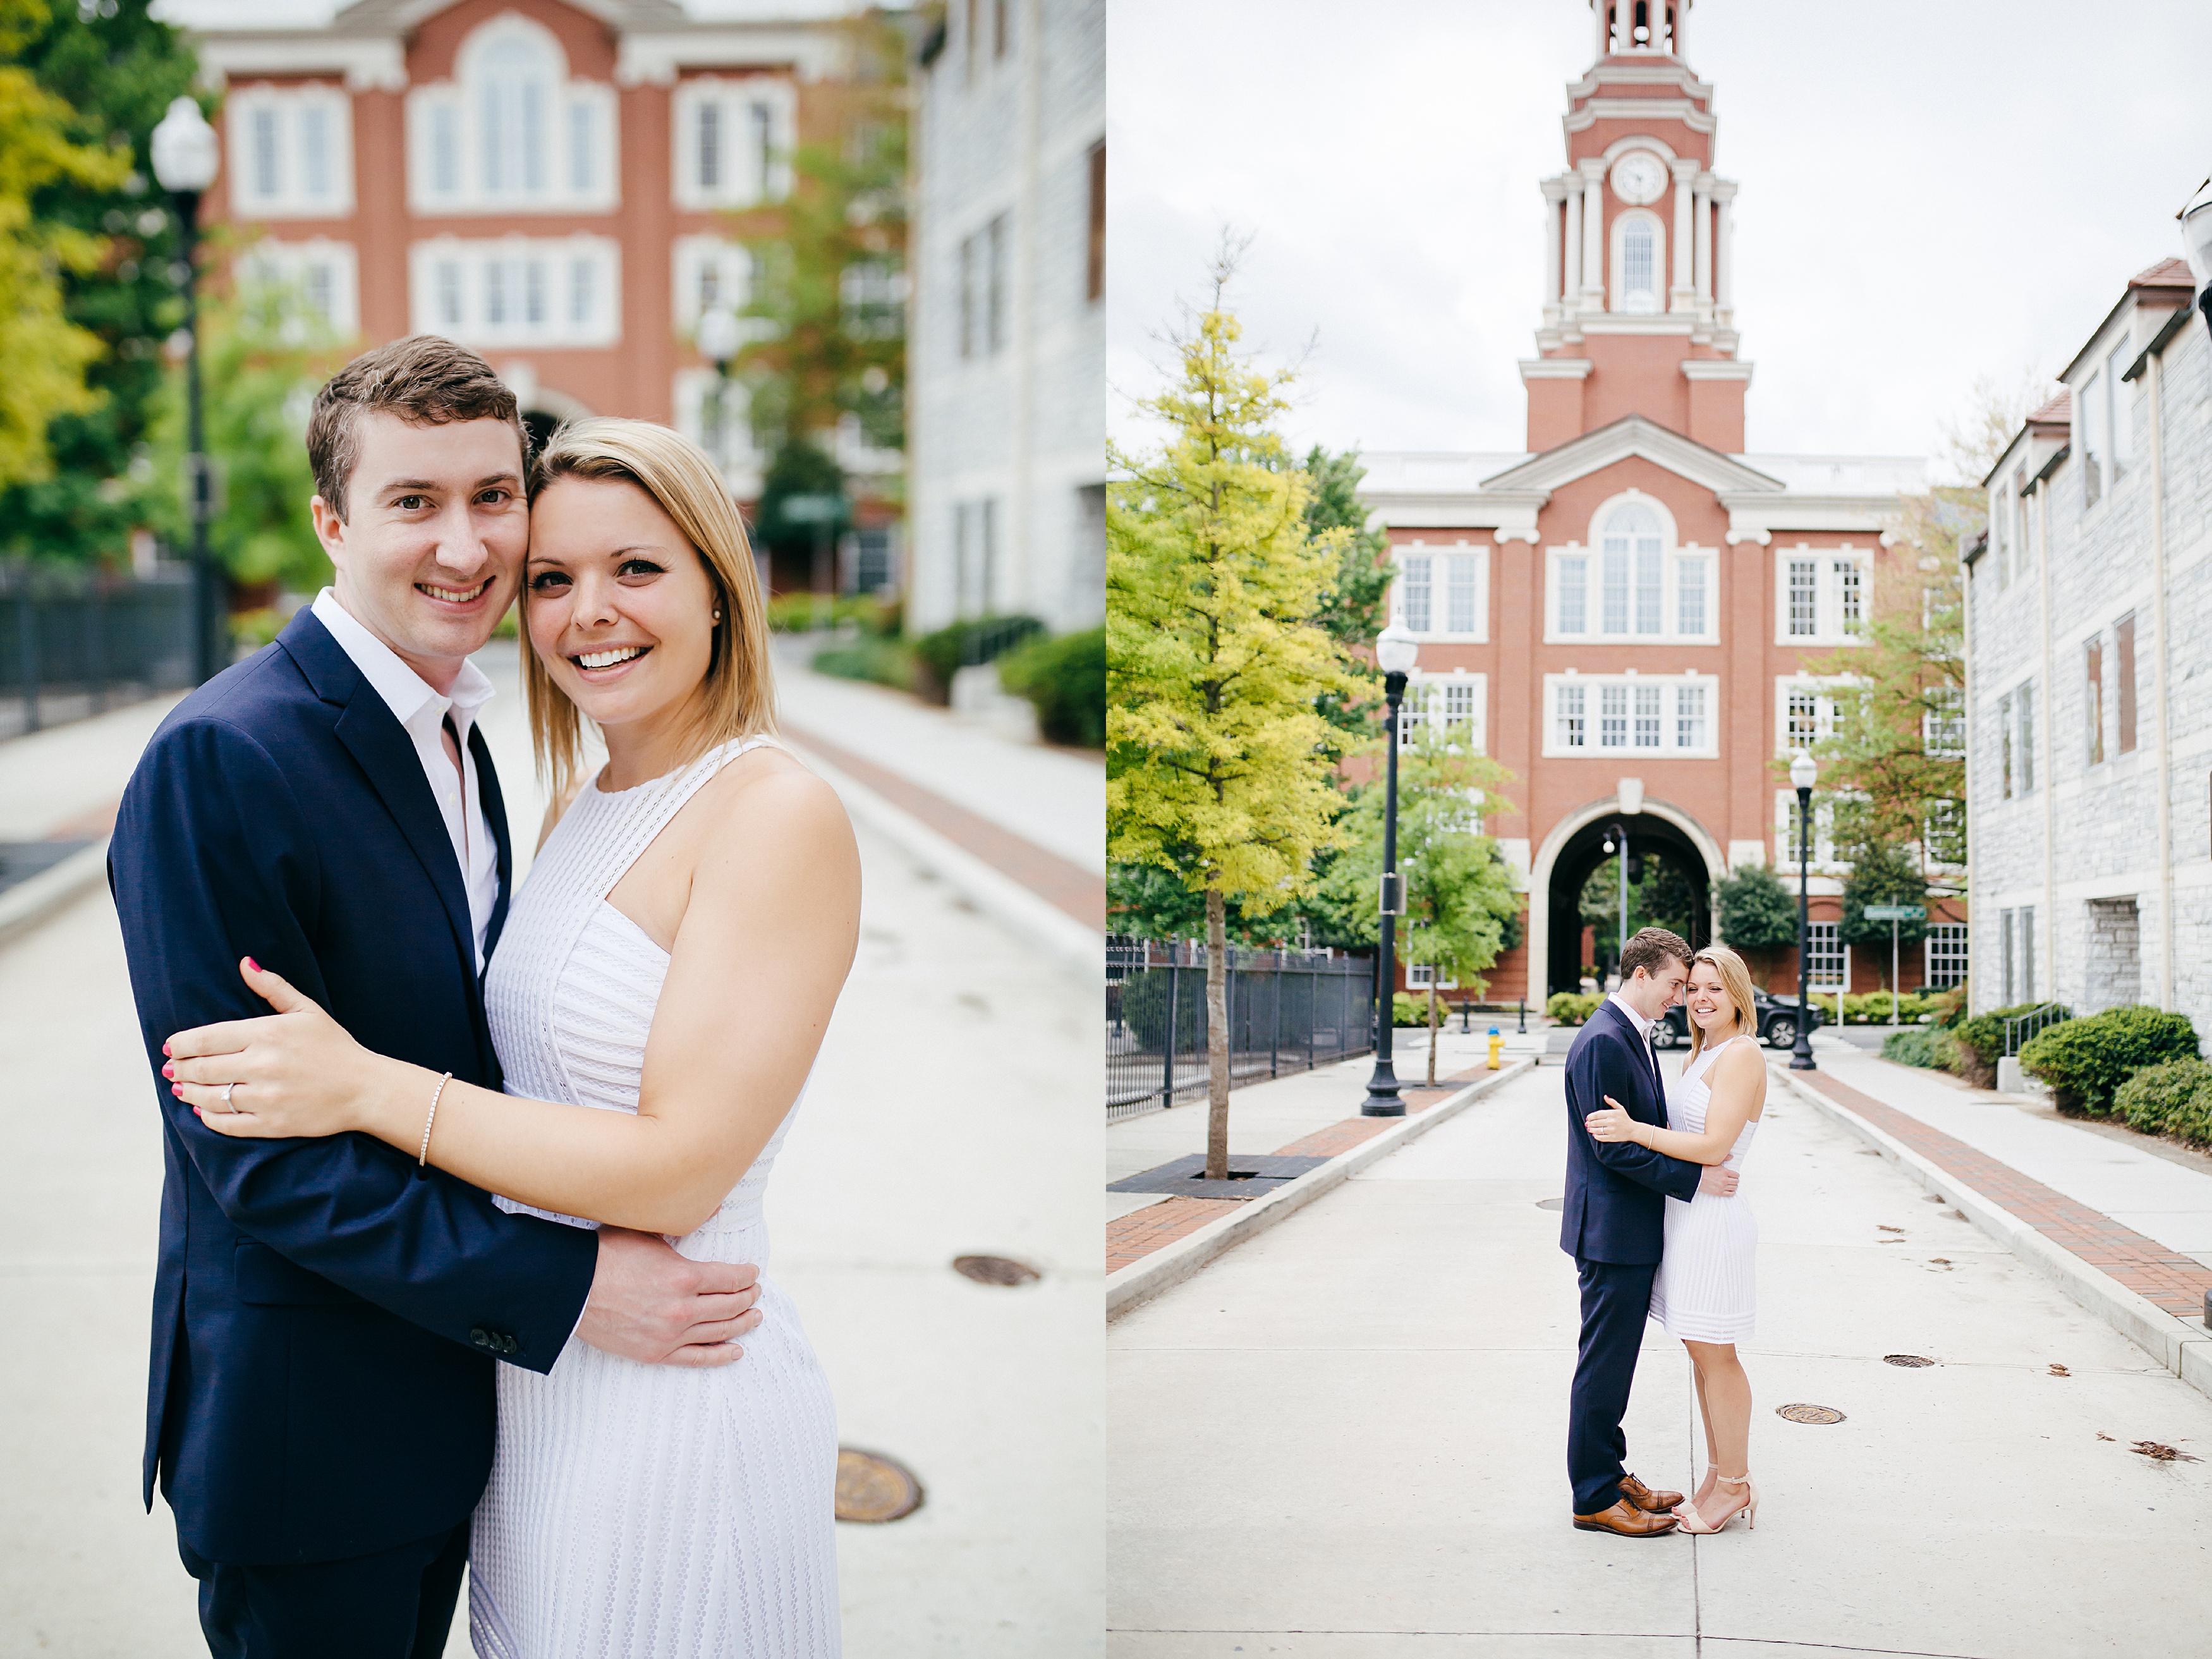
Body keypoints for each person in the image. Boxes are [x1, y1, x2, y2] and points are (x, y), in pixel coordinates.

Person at [109, 337, 766, 1658]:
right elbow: (260, 1158)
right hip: (316, 1442)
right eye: (414, 501)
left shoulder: (465, 733)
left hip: (470, 1422)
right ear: (332, 521)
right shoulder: (225, 756)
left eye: (492, 495)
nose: (465, 543)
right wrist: (568, 1284)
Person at [1557, 925, 1739, 1536]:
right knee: (1603, 1365)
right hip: (1610, 1233)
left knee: (1613, 1362)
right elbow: (1611, 1148)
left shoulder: (1627, 1034)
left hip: (1626, 1230)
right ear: (1640, 975)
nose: (1678, 997)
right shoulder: (1605, 1040)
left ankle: (1609, 1474)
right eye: (1673, 984)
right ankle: (1593, 1495)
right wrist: (1693, 1179)